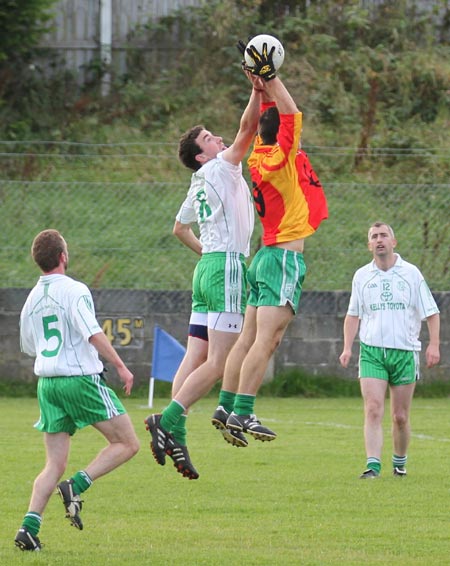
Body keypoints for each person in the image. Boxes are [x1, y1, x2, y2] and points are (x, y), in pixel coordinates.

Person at [144, 71, 263, 479]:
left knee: (196, 355)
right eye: (210, 138)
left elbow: (179, 228)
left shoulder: (198, 179)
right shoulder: (221, 168)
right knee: (219, 361)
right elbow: (248, 128)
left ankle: (175, 433)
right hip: (226, 266)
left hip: (207, 268)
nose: (219, 139)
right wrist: (258, 89)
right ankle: (169, 420)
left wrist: (206, 254)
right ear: (202, 155)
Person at [216, 40, 328, 442]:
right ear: (281, 135)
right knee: (268, 338)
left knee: (248, 337)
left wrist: (256, 89)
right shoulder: (281, 154)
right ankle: (243, 411)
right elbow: (292, 113)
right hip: (282, 258)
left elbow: (258, 121)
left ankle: (226, 404)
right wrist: (270, 78)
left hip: (264, 256)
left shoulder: (257, 156)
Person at [14, 229, 140, 551]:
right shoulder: (74, 290)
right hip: (78, 379)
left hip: (48, 385)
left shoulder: (30, 301)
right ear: (63, 257)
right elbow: (92, 332)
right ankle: (77, 484)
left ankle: (28, 530)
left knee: (53, 464)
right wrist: (122, 366)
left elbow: (30, 346)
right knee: (127, 443)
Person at [339, 221, 440, 478]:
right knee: (373, 408)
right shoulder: (362, 276)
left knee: (400, 416)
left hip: (405, 352)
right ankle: (372, 465)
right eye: (374, 236)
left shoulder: (411, 274)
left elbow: (432, 312)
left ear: (393, 242)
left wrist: (434, 344)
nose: (379, 240)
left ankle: (400, 462)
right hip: (372, 351)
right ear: (369, 245)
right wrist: (347, 347)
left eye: (384, 235)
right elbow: (353, 315)